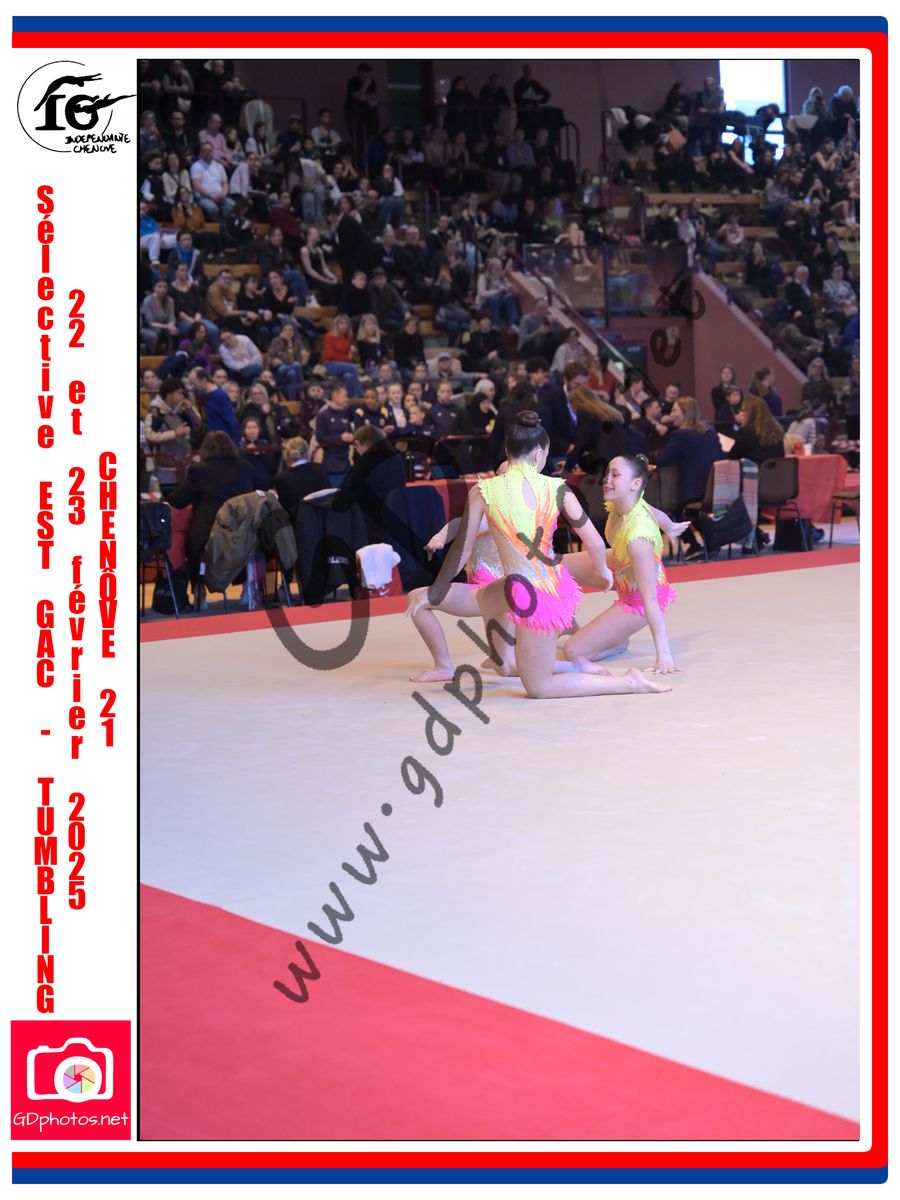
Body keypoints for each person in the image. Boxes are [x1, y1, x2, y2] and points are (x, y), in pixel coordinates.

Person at [408, 412, 671, 698]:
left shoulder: (482, 490)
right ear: (539, 453)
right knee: (488, 603)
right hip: (532, 587)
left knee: (538, 688)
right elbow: (595, 543)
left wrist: (436, 590)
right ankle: (505, 659)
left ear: (507, 451)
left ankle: (627, 682)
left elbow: (462, 549)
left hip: (533, 594)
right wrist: (603, 571)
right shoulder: (558, 489)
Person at [563, 455, 679, 675]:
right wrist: (670, 526)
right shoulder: (626, 501)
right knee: (558, 565)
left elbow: (650, 599)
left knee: (573, 651)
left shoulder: (639, 538)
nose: (606, 479)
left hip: (637, 599)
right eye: (608, 473)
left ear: (635, 484)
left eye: (615, 475)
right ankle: (565, 622)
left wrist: (664, 655)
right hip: (622, 565)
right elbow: (653, 511)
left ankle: (617, 642)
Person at [166, 430, 257, 591]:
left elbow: (176, 500)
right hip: (245, 534)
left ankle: (199, 589)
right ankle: (247, 590)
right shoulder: (247, 468)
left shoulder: (200, 470)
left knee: (191, 545)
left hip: (210, 535)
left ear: (205, 449)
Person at [656, 396, 722, 507]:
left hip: (691, 495)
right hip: (714, 492)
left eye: (674, 411)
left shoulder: (680, 435)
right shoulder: (711, 433)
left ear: (685, 413)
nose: (671, 415)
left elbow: (662, 461)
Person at [273, 438, 331, 520]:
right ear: (307, 451)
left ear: (287, 454)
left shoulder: (281, 479)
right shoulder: (321, 469)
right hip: (324, 520)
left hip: (298, 524)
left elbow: (284, 510)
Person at [727, 393, 785, 465]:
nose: (740, 413)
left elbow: (732, 457)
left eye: (742, 410)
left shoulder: (745, 432)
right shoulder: (777, 429)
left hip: (754, 471)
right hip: (778, 471)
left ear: (749, 413)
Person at [314, 385, 355, 475]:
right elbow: (320, 438)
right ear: (335, 396)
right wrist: (340, 438)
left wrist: (352, 437)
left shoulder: (345, 414)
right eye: (344, 396)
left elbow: (350, 433)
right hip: (331, 462)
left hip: (346, 461)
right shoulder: (323, 416)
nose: (347, 399)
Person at [321, 314, 363, 396]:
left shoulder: (347, 337)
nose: (344, 326)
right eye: (341, 323)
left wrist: (346, 358)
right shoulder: (329, 336)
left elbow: (349, 354)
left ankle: (347, 397)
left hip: (344, 365)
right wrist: (345, 358)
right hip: (330, 364)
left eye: (346, 324)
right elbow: (329, 355)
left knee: (348, 376)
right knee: (354, 367)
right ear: (336, 324)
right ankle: (359, 395)